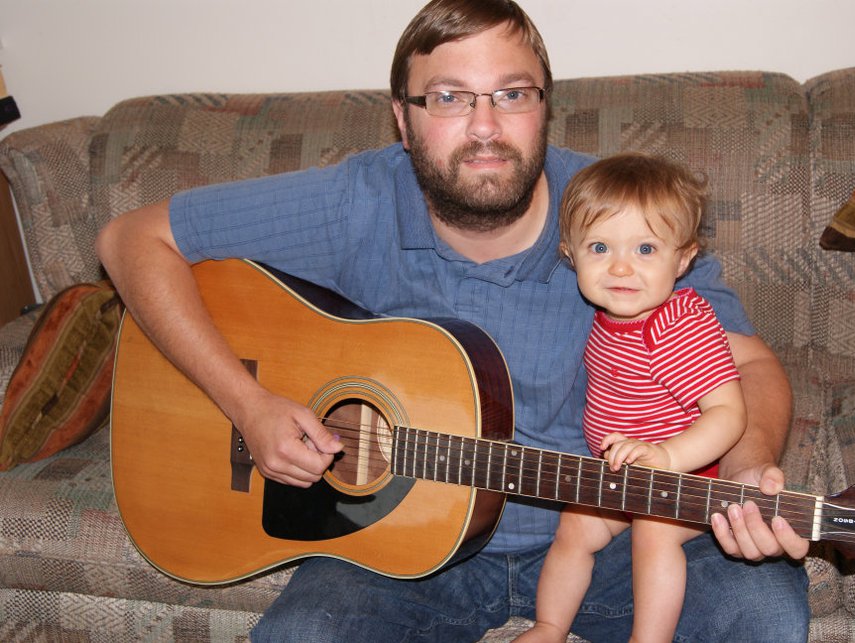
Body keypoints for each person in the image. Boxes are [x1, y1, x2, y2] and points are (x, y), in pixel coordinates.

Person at [95, 0, 810, 640]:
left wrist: (746, 475)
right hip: (395, 544)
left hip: (605, 531)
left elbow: (748, 364)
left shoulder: (620, 219)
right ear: (402, 121)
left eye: (512, 93)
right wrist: (247, 404)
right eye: (449, 97)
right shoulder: (356, 201)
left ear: (545, 108)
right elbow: (130, 240)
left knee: (764, 608)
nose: (486, 125)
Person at [518, 153, 747, 643]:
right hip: (622, 475)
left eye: (645, 249)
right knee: (574, 526)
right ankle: (549, 626)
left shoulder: (678, 322)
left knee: (654, 531)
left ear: (682, 259)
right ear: (569, 253)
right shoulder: (609, 317)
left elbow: (729, 414)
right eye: (600, 247)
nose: (621, 267)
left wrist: (666, 457)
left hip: (689, 476)